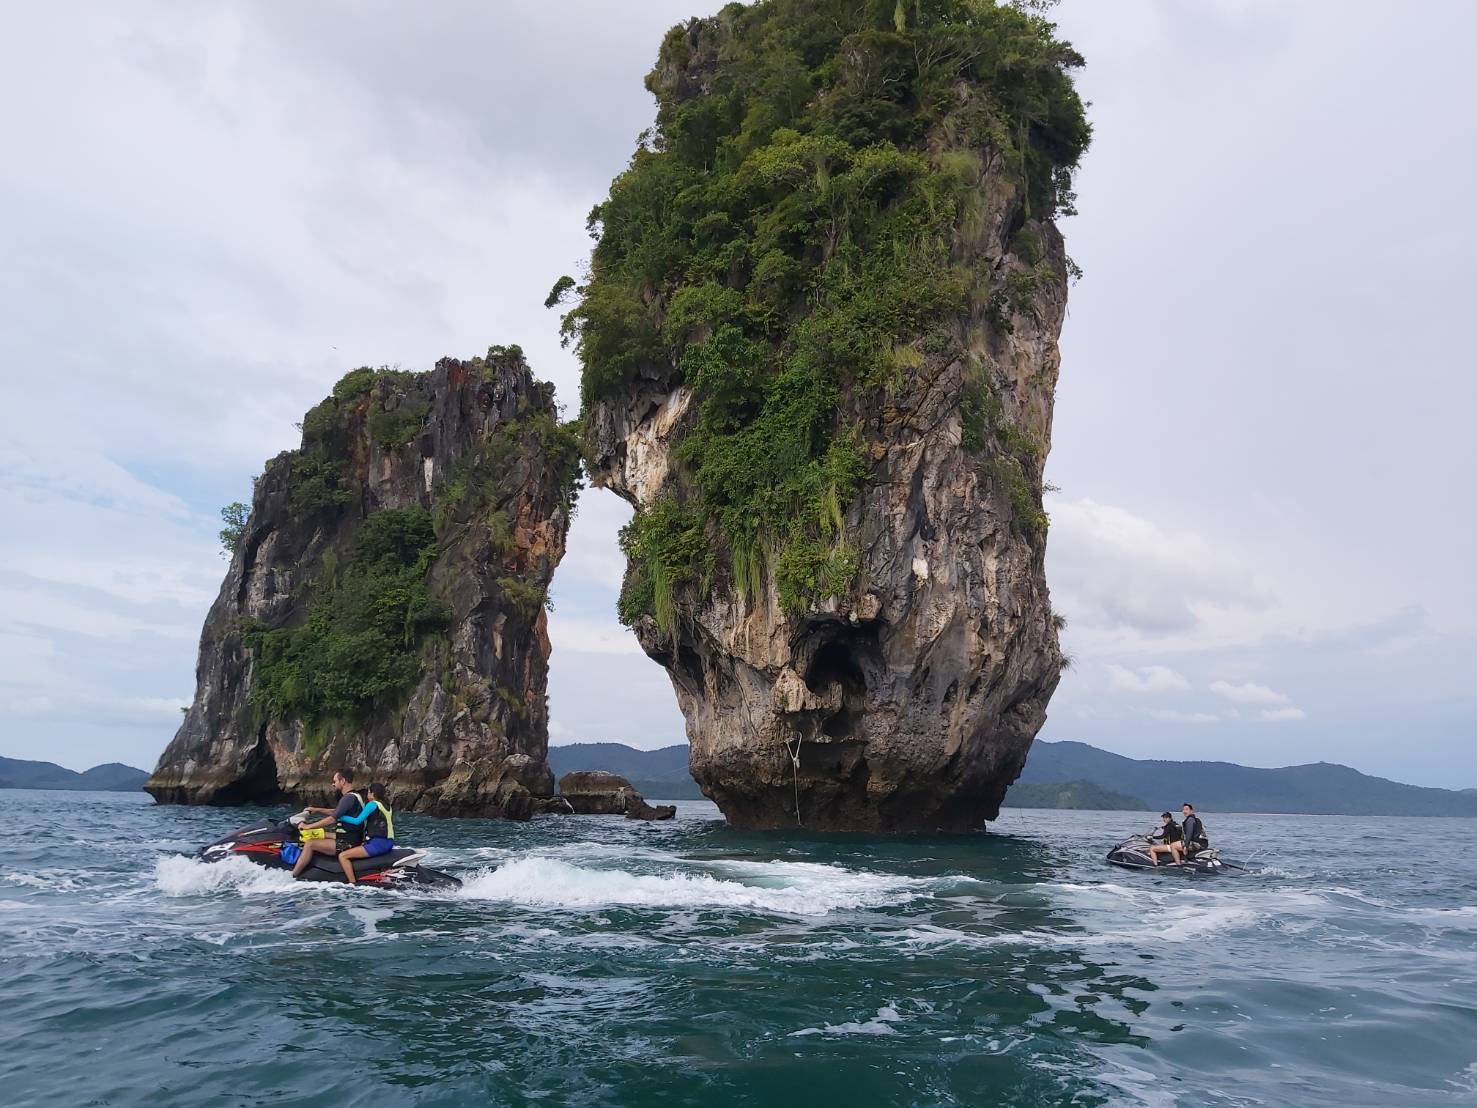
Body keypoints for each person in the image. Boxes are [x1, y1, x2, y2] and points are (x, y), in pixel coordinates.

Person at [291, 769, 363, 880]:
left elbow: (332, 819)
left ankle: (293, 876)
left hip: (347, 843)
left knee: (310, 844)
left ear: (343, 781)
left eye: (335, 781)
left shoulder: (348, 798)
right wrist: (316, 809)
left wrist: (308, 826)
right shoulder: (355, 796)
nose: (333, 784)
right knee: (322, 834)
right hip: (351, 837)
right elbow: (336, 811)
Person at [335, 782, 395, 885]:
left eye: (368, 792)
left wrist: (340, 816)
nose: (367, 795)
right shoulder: (387, 806)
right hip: (388, 842)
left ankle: (352, 883)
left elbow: (357, 821)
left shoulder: (372, 804)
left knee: (343, 856)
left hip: (378, 844)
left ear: (372, 793)